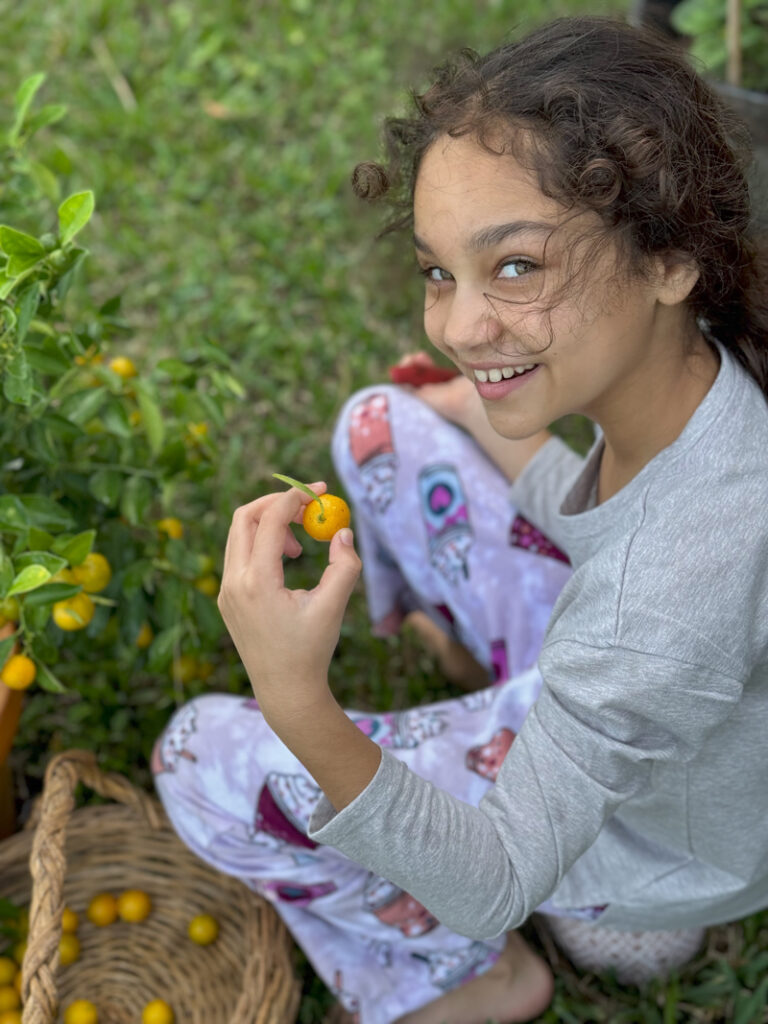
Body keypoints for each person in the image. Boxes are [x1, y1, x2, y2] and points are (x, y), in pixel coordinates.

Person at [151, 16, 768, 1024]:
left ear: (670, 260)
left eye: (516, 266)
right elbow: (622, 539)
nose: (457, 325)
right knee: (381, 427)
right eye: (442, 272)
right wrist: (484, 409)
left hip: (642, 850)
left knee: (198, 758)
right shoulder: (707, 369)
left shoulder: (661, 604)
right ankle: (472, 668)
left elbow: (495, 877)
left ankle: (466, 977)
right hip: (630, 703)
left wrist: (294, 690)